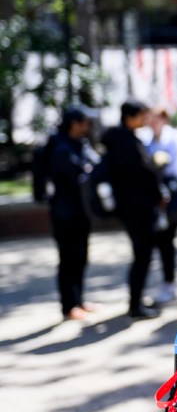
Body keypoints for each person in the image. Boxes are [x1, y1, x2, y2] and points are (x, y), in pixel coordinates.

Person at [101, 99, 167, 320]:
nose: (146, 120)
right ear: (131, 117)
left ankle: (136, 301)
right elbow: (144, 173)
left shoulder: (118, 141)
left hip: (129, 207)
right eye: (142, 116)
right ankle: (135, 305)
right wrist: (159, 193)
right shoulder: (127, 143)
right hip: (138, 208)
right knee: (142, 255)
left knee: (142, 255)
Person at [45, 105, 100, 320]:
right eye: (84, 122)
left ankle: (78, 300)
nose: (87, 127)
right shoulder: (60, 147)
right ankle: (68, 305)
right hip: (64, 213)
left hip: (81, 211)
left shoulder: (80, 144)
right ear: (74, 123)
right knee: (68, 258)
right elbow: (78, 173)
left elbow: (94, 165)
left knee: (80, 257)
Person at [143, 107, 177, 304]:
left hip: (170, 193)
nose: (153, 122)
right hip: (152, 193)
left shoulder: (174, 137)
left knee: (167, 239)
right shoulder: (145, 139)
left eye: (157, 118)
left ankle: (169, 282)